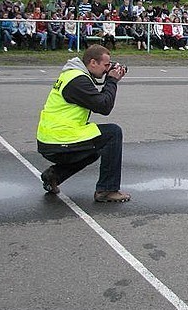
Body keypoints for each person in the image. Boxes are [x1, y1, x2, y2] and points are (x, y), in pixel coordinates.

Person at [36, 44, 130, 202]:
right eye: (106, 65)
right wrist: (112, 81)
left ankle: (54, 176)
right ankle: (107, 190)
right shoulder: (78, 80)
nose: (107, 69)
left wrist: (110, 79)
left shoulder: (74, 75)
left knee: (95, 147)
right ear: (93, 63)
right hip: (59, 139)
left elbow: (99, 101)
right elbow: (104, 106)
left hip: (53, 138)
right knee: (113, 133)